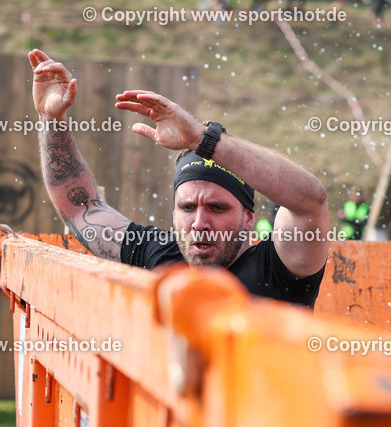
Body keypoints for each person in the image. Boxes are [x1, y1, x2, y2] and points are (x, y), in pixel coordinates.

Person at [29, 49, 330, 308]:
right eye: (187, 208)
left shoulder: (277, 269)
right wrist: (51, 119)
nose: (199, 223)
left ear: (248, 218)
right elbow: (80, 208)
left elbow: (310, 202)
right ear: (173, 213)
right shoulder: (157, 253)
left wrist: (203, 140)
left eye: (217, 208)